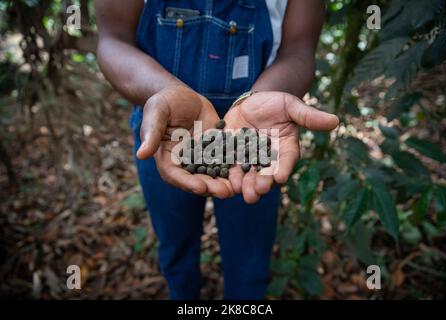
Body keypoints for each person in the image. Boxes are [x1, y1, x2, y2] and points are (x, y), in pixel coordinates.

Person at [95, 0, 338, 299]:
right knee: (175, 247)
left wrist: (260, 99)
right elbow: (112, 39)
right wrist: (163, 92)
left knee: (250, 261)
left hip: (258, 124)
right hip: (166, 128)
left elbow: (299, 50)